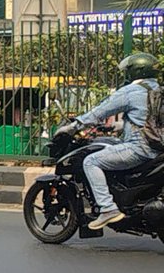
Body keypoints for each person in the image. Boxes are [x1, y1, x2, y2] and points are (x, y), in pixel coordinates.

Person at [57, 51, 161, 229]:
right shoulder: (159, 90)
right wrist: (119, 126)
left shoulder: (131, 91)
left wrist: (73, 126)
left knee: (91, 161)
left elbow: (99, 112)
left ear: (135, 71)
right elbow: (148, 120)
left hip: (140, 148)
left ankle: (108, 209)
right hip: (158, 148)